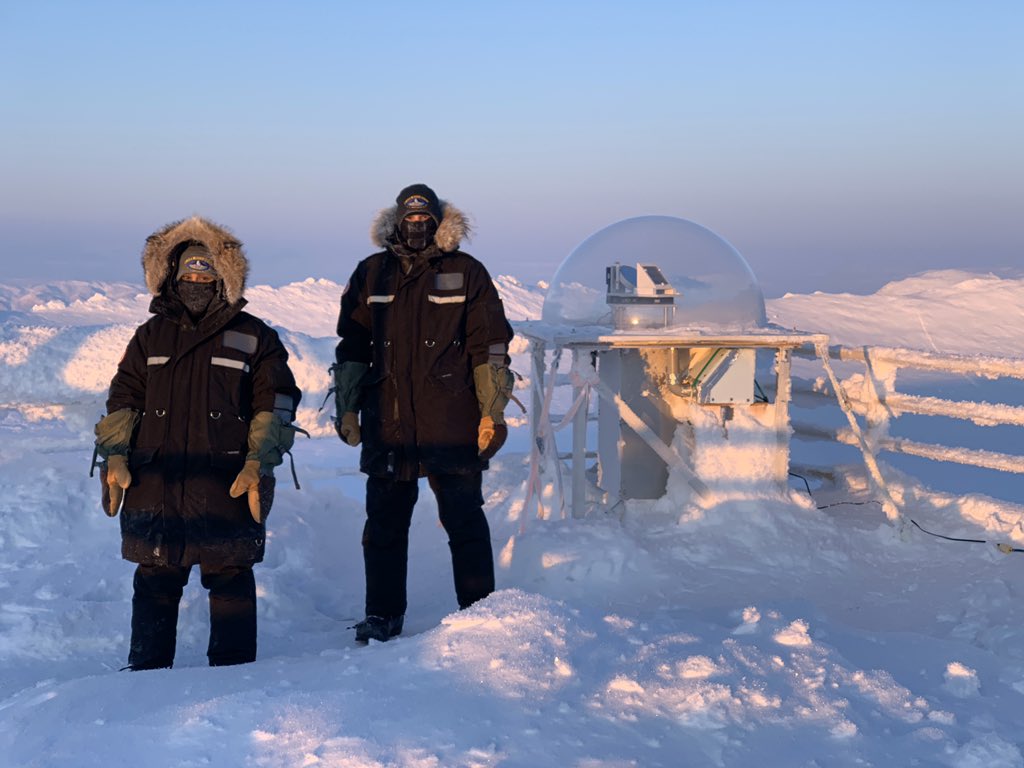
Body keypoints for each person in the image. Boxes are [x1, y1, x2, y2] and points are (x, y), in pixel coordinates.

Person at [93, 216, 302, 670]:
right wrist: (115, 453)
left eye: (205, 277)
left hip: (227, 479)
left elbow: (277, 399)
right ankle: (146, 674)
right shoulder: (150, 335)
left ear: (223, 278)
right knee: (155, 578)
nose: (196, 284)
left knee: (230, 576)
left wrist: (259, 460)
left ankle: (233, 674)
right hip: (156, 480)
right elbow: (124, 395)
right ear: (171, 276)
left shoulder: (254, 336)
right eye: (188, 276)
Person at [333, 183, 515, 643]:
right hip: (388, 420)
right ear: (396, 222)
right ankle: (382, 616)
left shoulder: (466, 272)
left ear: (438, 221)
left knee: (464, 521)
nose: (417, 225)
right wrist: (347, 407)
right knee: (383, 526)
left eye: (425, 218)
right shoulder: (371, 273)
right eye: (409, 218)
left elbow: (490, 346)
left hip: (451, 419)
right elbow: (352, 346)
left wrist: (491, 413)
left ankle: (480, 612)